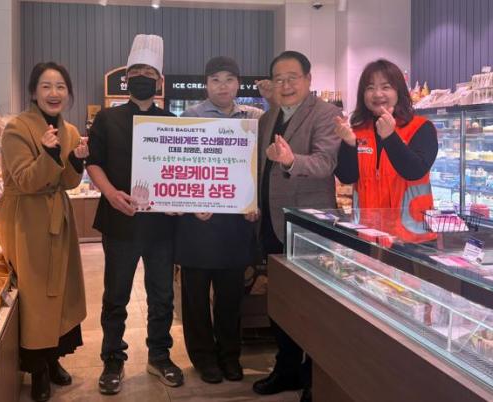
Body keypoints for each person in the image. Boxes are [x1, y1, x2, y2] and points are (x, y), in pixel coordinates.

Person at [85, 34, 184, 395]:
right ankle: (113, 359)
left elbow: (180, 172)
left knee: (162, 296)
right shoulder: (107, 118)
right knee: (116, 296)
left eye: (149, 72)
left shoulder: (172, 122)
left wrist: (180, 198)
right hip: (120, 221)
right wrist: (111, 194)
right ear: (126, 78)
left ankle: (159, 355)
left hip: (161, 226)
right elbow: (93, 162)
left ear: (159, 81)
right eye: (137, 71)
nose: (143, 76)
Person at [252, 51, 342, 402]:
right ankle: (287, 367)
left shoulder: (326, 114)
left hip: (310, 226)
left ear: (308, 79)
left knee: (314, 305)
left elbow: (325, 162)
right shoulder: (267, 117)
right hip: (272, 224)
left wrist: (291, 161)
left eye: (293, 77)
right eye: (279, 79)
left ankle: (315, 377)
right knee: (282, 302)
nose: (286, 85)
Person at [0, 62, 89, 402]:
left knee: (59, 289)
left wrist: (76, 160)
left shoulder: (70, 131)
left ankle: (53, 359)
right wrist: (49, 153)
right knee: (34, 292)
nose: (54, 93)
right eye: (46, 86)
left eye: (60, 86)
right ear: (34, 92)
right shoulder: (17, 128)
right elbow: (25, 180)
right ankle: (37, 369)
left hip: (57, 219)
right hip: (26, 220)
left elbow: (68, 183)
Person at [175, 56, 262, 384]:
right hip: (198, 225)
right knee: (196, 298)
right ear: (206, 84)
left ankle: (229, 356)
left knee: (230, 297)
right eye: (215, 80)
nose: (222, 86)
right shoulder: (190, 117)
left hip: (236, 225)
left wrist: (254, 203)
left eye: (229, 79)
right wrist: (191, 202)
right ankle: (203, 358)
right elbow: (181, 166)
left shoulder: (253, 119)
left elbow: (258, 169)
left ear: (238, 84)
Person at [334, 58, 438, 240]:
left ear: (399, 91)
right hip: (368, 235)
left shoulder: (421, 128)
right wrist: (349, 144)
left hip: (411, 239)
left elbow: (415, 171)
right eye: (370, 88)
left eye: (386, 87)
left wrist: (390, 137)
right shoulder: (358, 131)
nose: (377, 94)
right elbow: (346, 177)